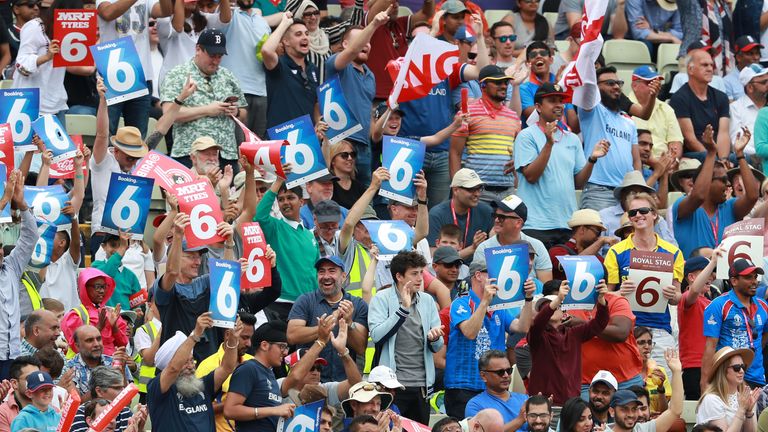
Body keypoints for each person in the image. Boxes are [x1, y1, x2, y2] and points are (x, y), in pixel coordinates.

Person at [515, 82, 609, 248]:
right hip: (536, 225)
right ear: (538, 106)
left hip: (567, 224)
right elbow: (530, 175)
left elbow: (578, 183)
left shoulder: (572, 138)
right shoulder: (526, 136)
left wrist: (592, 159)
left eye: (561, 101)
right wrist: (548, 144)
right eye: (552, 100)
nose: (559, 105)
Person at [444, 260, 535, 418]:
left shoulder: (499, 307)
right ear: (478, 275)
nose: (498, 278)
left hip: (492, 387)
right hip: (463, 386)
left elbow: (522, 327)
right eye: (493, 274)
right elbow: (470, 332)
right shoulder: (461, 303)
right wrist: (485, 301)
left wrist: (528, 299)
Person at [605, 191, 685, 373]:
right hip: (627, 329)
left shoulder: (673, 252)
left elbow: (677, 297)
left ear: (655, 214)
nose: (638, 215)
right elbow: (607, 296)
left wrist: (673, 295)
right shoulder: (616, 252)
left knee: (663, 392)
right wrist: (620, 293)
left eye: (643, 210)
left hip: (660, 331)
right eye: (632, 213)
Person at [368, 250, 444, 424]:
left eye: (421, 273)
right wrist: (403, 309)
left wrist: (434, 338)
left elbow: (437, 346)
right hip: (392, 387)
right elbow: (377, 335)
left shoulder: (428, 301)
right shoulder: (381, 299)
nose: (420, 278)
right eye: (414, 274)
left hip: (421, 386)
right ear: (399, 276)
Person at [153, 211, 236, 361]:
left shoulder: (203, 282)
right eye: (191, 257)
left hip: (207, 362)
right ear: (177, 257)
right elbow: (171, 271)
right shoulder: (166, 287)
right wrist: (178, 235)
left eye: (199, 256)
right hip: (177, 364)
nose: (197, 262)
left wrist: (229, 243)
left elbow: (225, 276)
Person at [160, 29, 246, 169]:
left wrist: (235, 112)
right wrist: (207, 110)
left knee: (227, 191)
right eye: (212, 55)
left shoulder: (228, 76)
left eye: (220, 56)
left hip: (225, 153)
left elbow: (243, 113)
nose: (216, 61)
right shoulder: (177, 74)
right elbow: (169, 114)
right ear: (198, 49)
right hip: (190, 153)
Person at [578, 66, 658, 211]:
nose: (616, 86)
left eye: (618, 83)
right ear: (597, 87)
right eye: (609, 83)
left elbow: (636, 161)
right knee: (600, 234)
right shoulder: (592, 111)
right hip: (599, 190)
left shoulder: (629, 122)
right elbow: (587, 88)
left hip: (625, 193)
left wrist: (638, 187)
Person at [672, 126, 759, 258]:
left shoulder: (729, 207)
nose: (728, 184)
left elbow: (753, 196)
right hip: (694, 276)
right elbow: (699, 195)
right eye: (723, 180)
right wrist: (711, 153)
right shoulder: (683, 206)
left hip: (725, 276)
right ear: (708, 182)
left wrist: (740, 154)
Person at [325, 11, 388, 187]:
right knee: (337, 196)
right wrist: (374, 24)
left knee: (364, 198)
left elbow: (368, 114)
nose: (365, 44)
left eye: (368, 41)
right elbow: (352, 51)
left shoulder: (371, 76)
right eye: (361, 39)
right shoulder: (336, 64)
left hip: (364, 146)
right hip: (340, 143)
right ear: (344, 44)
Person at [146, 313, 241, 431]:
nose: (191, 366)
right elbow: (173, 369)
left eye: (192, 360)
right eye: (185, 362)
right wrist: (195, 335)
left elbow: (227, 367)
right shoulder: (157, 389)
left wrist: (232, 341)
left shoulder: (202, 385)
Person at [528, 280, 609, 408]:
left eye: (557, 306)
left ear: (564, 313)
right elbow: (538, 322)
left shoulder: (574, 333)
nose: (551, 308)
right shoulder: (536, 334)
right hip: (543, 404)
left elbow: (599, 323)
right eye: (545, 306)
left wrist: (601, 299)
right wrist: (559, 299)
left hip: (571, 403)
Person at [287, 256, 369, 382]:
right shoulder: (305, 300)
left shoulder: (357, 304)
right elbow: (292, 336)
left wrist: (349, 322)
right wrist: (322, 329)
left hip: (344, 383)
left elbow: (360, 348)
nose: (326, 276)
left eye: (332, 271)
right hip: (308, 382)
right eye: (321, 271)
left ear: (343, 276)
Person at [449, 64, 520, 204]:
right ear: (483, 85)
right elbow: (455, 153)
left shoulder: (513, 116)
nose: (504, 86)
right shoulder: (467, 113)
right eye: (498, 82)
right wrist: (457, 187)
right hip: (477, 191)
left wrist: (517, 162)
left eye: (505, 82)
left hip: (508, 191)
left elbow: (519, 153)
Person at [254, 172, 319, 321]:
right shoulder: (275, 227)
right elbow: (259, 216)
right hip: (279, 303)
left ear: (302, 202)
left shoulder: (310, 236)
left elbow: (314, 272)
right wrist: (277, 183)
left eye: (290, 197)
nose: (285, 202)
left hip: (307, 305)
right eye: (281, 199)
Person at [96, 0, 162, 137]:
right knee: (106, 134)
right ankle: (106, 160)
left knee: (137, 137)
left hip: (140, 72)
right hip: (112, 70)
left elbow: (162, 11)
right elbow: (108, 13)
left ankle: (135, 160)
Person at [702, 259, 768, 390]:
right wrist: (705, 383)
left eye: (755, 277)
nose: (754, 281)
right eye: (748, 277)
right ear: (734, 281)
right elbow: (710, 347)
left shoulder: (763, 306)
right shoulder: (718, 305)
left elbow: (764, 335)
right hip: (728, 377)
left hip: (757, 378)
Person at [0, 170, 39, 380]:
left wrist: (22, 204)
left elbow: (30, 237)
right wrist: (5, 200)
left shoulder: (11, 266)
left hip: (12, 355)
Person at [223, 321, 297, 431]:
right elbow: (230, 410)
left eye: (286, 347)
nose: (285, 352)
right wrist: (273, 410)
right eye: (282, 346)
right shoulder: (248, 369)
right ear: (264, 345)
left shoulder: (270, 373)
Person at [219, 0, 274, 139]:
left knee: (257, 146)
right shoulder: (230, 15)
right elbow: (224, 16)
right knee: (237, 146)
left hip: (261, 91)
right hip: (235, 92)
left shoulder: (262, 22)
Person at [473, 195, 552, 282]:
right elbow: (479, 285)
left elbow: (546, 286)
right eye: (495, 215)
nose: (496, 220)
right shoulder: (484, 248)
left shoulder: (537, 246)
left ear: (518, 222)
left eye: (501, 217)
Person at [668, 50, 732, 160]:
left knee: (744, 159)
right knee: (704, 156)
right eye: (704, 65)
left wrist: (723, 160)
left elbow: (723, 134)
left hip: (718, 155)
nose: (710, 69)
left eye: (711, 65)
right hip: (696, 154)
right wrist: (713, 160)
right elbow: (690, 140)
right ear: (690, 69)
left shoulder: (721, 97)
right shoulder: (679, 99)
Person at [262, 13, 319, 129]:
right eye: (298, 34)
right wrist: (284, 23)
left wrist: (317, 123)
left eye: (306, 34)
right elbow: (266, 51)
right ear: (286, 41)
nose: (305, 37)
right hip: (282, 139)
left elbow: (316, 104)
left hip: (307, 141)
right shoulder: (279, 65)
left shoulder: (313, 69)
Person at [427, 168, 493, 264]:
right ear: (455, 190)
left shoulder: (486, 211)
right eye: (471, 189)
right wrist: (472, 248)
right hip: (444, 272)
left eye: (479, 189)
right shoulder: (437, 214)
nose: (477, 194)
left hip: (477, 270)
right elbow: (434, 258)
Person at [678, 253, 719, 401]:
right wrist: (713, 261)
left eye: (712, 271)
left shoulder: (710, 303)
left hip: (712, 364)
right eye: (705, 271)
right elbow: (694, 290)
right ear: (691, 277)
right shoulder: (687, 298)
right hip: (694, 367)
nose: (711, 275)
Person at [61, 268, 129, 357]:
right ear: (84, 287)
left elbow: (123, 344)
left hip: (110, 365)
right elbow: (76, 346)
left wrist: (114, 327)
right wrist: (98, 327)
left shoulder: (111, 313)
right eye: (97, 287)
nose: (102, 291)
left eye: (104, 287)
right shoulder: (75, 315)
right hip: (86, 365)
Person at [610, 351, 683, 432]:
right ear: (612, 411)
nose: (630, 414)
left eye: (634, 409)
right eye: (624, 409)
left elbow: (675, 411)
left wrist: (676, 372)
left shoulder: (642, 429)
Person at [697, 347, 760, 430]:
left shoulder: (746, 396)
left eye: (743, 366)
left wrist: (749, 412)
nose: (742, 371)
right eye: (736, 367)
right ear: (722, 370)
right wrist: (741, 410)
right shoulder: (711, 399)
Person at [61, 325, 131, 397]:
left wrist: (121, 372)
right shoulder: (69, 369)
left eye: (99, 339)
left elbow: (127, 401)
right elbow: (78, 404)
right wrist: (106, 380)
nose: (96, 344)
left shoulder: (115, 362)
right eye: (89, 340)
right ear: (77, 346)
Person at [630, 66, 684, 160]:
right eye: (649, 82)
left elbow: (676, 141)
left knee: (693, 164)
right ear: (635, 86)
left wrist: (671, 160)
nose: (655, 85)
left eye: (657, 82)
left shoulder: (667, 109)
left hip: (665, 162)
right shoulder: (625, 107)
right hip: (637, 162)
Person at [464, 350, 527, 427]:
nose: (506, 375)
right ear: (483, 376)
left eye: (508, 370)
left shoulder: (524, 399)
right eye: (500, 372)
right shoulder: (475, 405)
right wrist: (519, 421)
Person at [548, 210, 612, 281]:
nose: (598, 237)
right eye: (597, 232)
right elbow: (573, 265)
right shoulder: (557, 251)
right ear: (582, 229)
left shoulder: (598, 258)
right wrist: (600, 242)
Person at [68, 366, 136, 432]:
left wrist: (140, 427)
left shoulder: (125, 411)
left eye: (123, 387)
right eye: (117, 388)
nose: (123, 391)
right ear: (99, 391)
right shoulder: (80, 413)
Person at [93, 232, 142, 311]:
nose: (117, 250)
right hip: (102, 319)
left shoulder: (131, 276)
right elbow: (106, 275)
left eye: (120, 245)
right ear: (103, 246)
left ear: (127, 248)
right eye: (113, 245)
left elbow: (136, 303)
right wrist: (122, 248)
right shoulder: (96, 266)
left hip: (124, 320)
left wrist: (136, 310)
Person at [730, 64, 768, 161]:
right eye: (764, 82)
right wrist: (760, 152)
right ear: (750, 87)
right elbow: (736, 142)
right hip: (752, 158)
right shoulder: (736, 108)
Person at [635, 327, 672, 416]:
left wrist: (660, 388)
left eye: (650, 342)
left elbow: (663, 411)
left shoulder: (659, 371)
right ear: (631, 345)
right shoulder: (625, 372)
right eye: (641, 342)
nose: (647, 346)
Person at [0, 356, 40, 430]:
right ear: (15, 383)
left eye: (38, 377)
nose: (36, 382)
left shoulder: (52, 408)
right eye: (30, 378)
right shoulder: (3, 412)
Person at [724, 36, 763, 101]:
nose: (756, 57)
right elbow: (730, 108)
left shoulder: (765, 76)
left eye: (757, 53)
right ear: (738, 57)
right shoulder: (727, 82)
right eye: (750, 54)